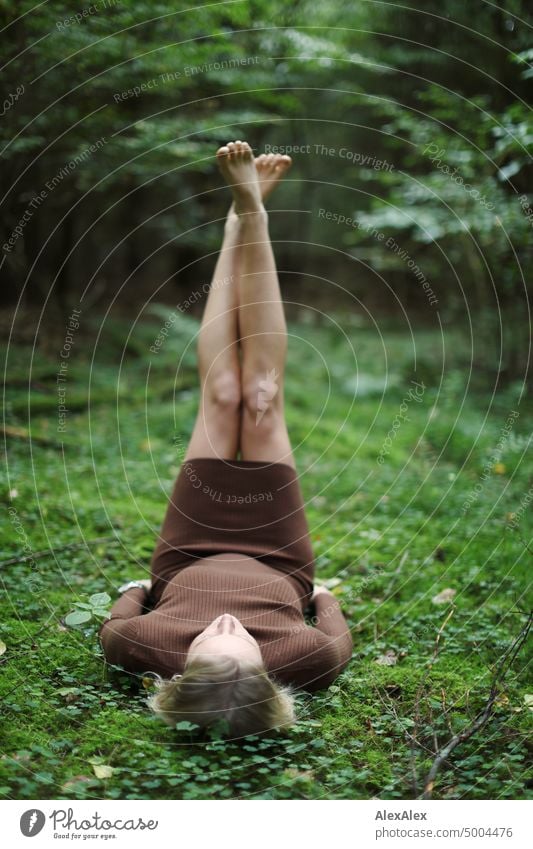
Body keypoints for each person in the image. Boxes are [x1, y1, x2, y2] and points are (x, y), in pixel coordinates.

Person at [100, 141, 353, 737]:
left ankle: (238, 217)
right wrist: (317, 598)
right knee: (261, 394)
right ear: (270, 674)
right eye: (239, 644)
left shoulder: (135, 647)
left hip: (187, 548)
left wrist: (142, 588)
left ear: (176, 675)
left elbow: (127, 606)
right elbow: (332, 618)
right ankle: (254, 215)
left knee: (220, 393)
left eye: (206, 645)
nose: (223, 626)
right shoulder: (309, 662)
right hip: (278, 553)